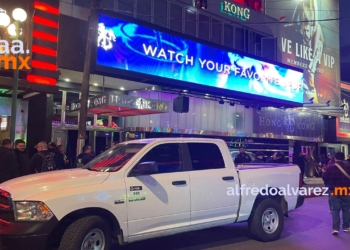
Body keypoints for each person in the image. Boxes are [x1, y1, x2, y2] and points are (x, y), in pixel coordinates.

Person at [322, 152, 350, 235]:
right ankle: (346, 227)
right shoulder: (348, 167)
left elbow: (325, 179)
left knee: (335, 210)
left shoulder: (330, 168)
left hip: (334, 190)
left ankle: (335, 228)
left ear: (335, 158)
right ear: (343, 158)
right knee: (346, 209)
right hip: (346, 190)